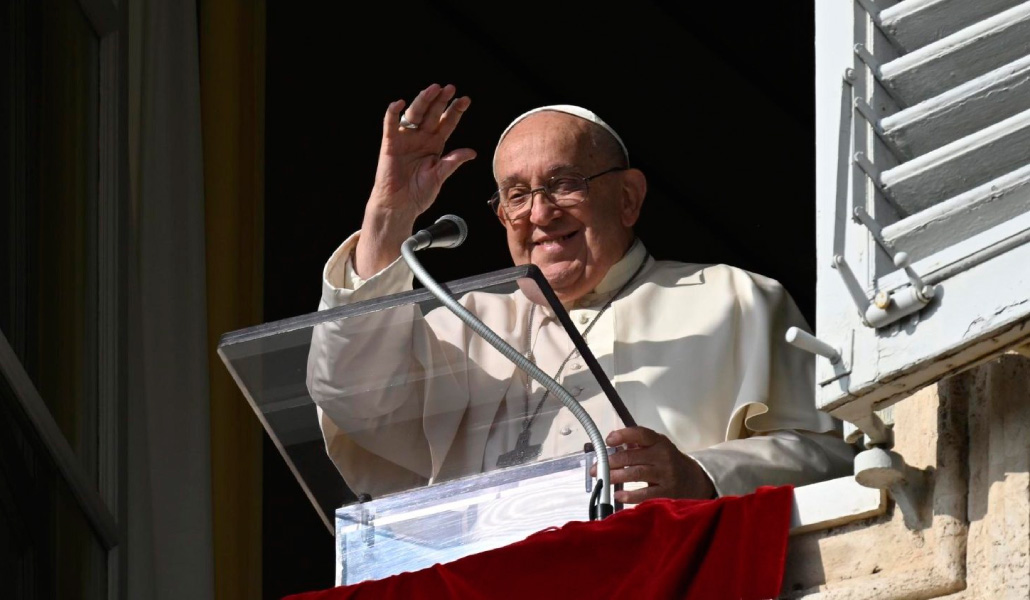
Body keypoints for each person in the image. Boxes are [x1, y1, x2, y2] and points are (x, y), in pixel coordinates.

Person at [306, 83, 855, 504]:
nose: (540, 215)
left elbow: (832, 455)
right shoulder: (465, 321)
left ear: (628, 198)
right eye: (516, 196)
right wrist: (387, 219)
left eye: (564, 184)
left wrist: (701, 476)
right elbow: (353, 398)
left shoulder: (735, 299)